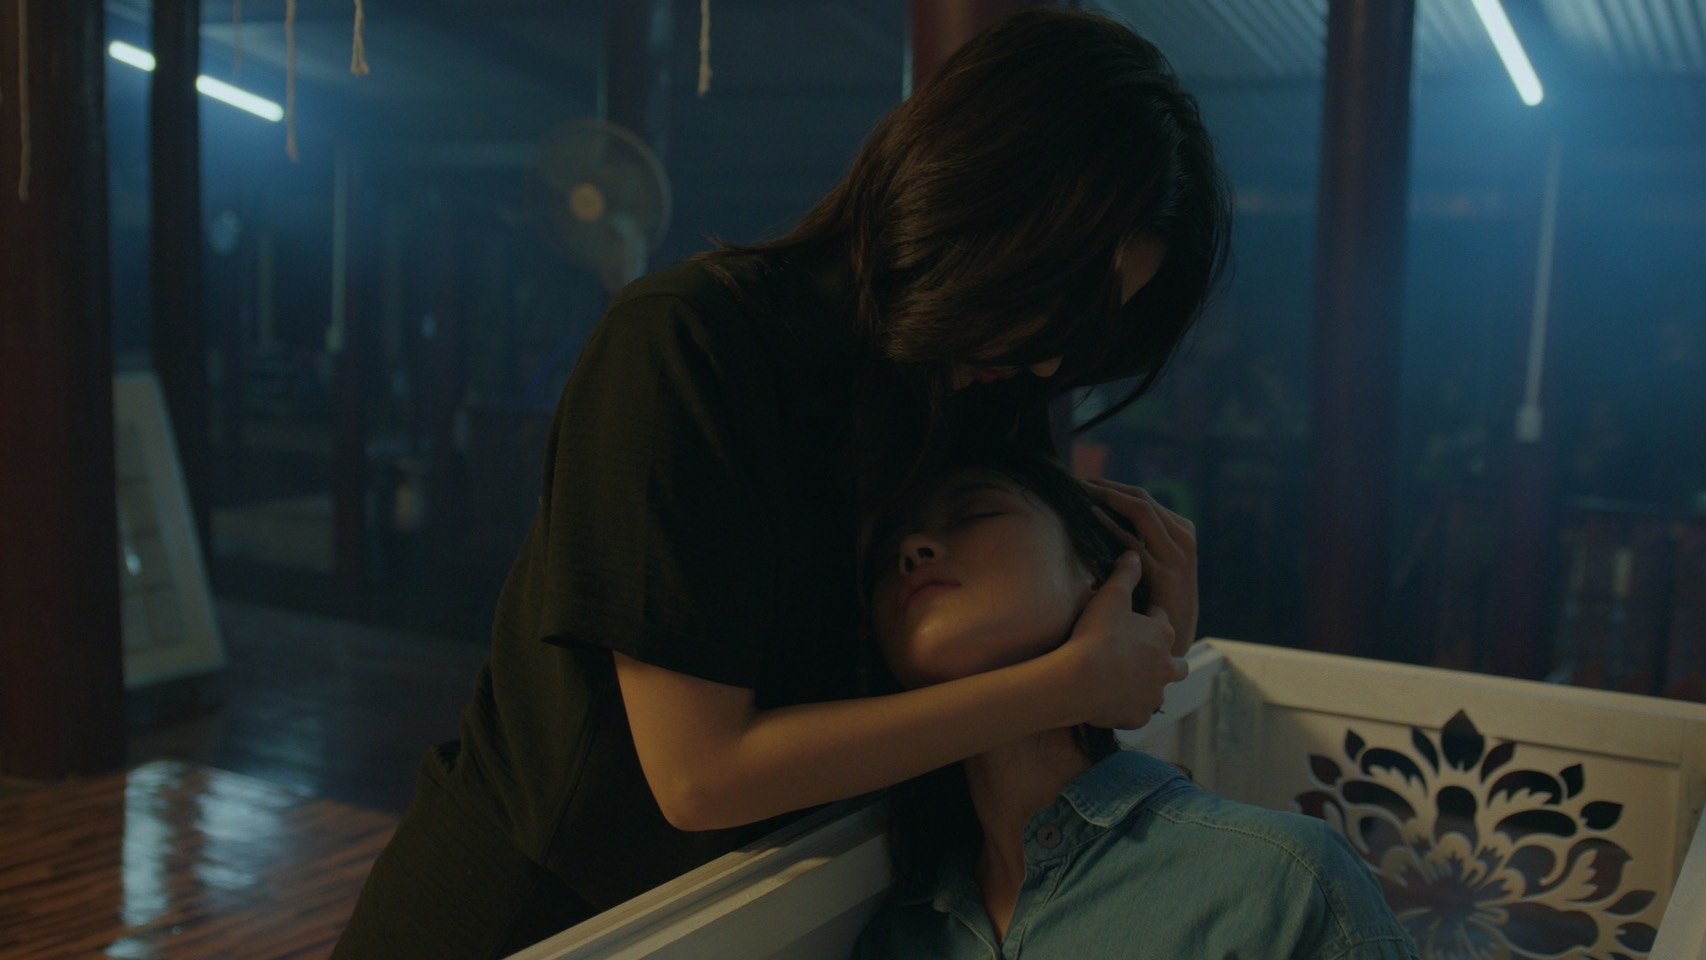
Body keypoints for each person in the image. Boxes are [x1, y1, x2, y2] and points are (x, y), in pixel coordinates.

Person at [331, 9, 1231, 958]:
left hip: (773, 905)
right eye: (1059, 298)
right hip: (540, 915)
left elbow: (996, 659)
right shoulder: (684, 345)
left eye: (1095, 326)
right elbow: (699, 776)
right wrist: (1068, 685)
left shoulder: (973, 382)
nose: (1054, 357)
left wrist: (1140, 626)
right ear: (975, 193)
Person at [854, 442, 1419, 959]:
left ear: (1102, 572)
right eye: (885, 556)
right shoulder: (899, 938)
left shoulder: (1279, 881)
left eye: (974, 515)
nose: (912, 549)